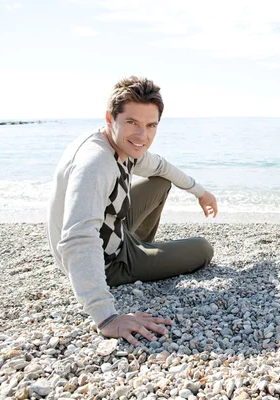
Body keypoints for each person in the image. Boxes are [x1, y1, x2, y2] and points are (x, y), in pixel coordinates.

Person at [47, 76, 218, 345]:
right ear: (110, 118)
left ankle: (145, 251)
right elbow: (78, 237)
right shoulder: (96, 163)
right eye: (132, 123)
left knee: (160, 182)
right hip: (107, 262)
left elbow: (161, 167)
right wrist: (106, 317)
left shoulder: (117, 145)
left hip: (115, 231)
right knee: (203, 249)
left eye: (151, 125)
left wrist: (201, 192)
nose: (142, 136)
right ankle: (138, 262)